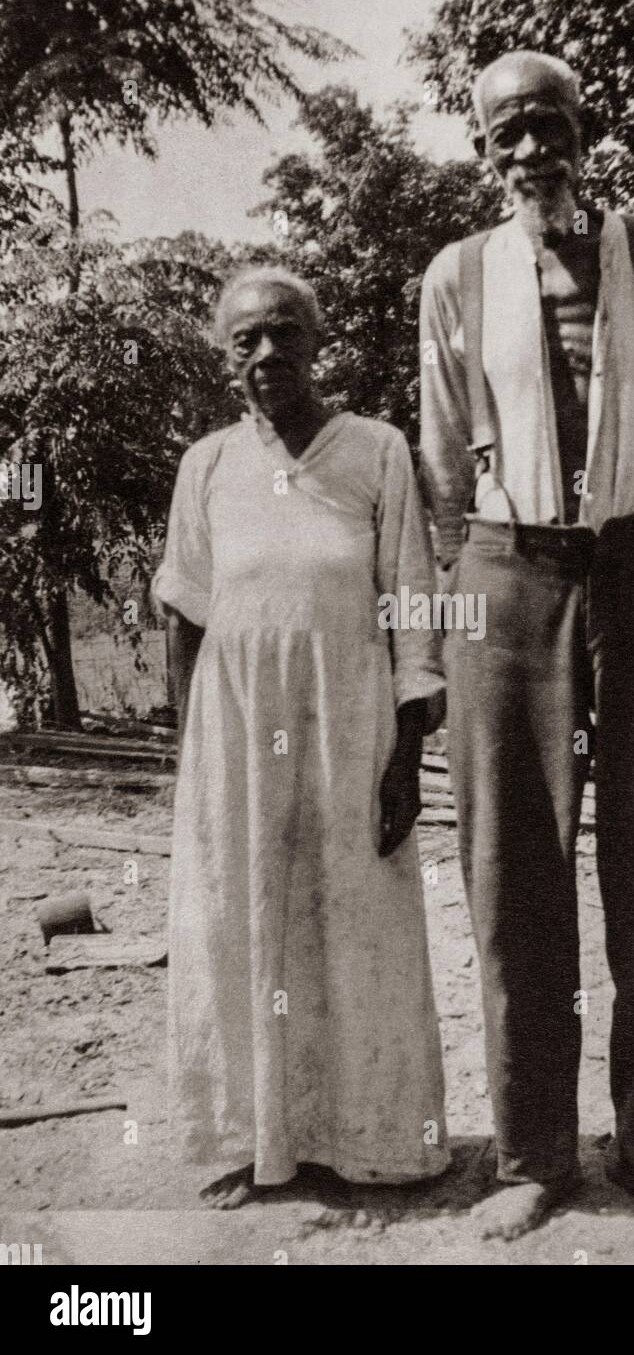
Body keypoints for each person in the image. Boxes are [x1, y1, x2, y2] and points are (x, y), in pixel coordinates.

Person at [420, 51, 634, 1240]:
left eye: (547, 128)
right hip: (509, 576)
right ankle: (533, 1154)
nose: (528, 154)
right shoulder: (456, 276)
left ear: (583, 131)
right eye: (505, 137)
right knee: (512, 869)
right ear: (486, 155)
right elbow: (446, 453)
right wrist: (495, 565)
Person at [152, 265, 449, 1209]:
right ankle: (258, 1139)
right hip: (237, 732)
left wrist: (407, 751)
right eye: (246, 340)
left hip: (349, 723)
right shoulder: (206, 464)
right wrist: (192, 754)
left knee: (356, 920)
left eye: (285, 332)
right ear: (224, 356)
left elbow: (410, 597)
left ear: (318, 342)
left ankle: (369, 1142)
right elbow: (186, 612)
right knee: (242, 921)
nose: (267, 354)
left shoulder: (377, 451)